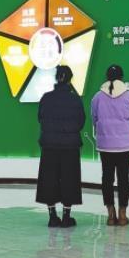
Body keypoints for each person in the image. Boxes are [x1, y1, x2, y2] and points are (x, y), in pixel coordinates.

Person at [91, 64, 129, 226]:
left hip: (105, 144)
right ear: (122, 77)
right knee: (123, 178)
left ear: (106, 77)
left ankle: (111, 215)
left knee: (107, 178)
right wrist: (127, 132)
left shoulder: (97, 97)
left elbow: (94, 118)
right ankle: (123, 215)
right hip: (125, 145)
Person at [37, 65, 85, 227]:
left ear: (56, 78)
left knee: (49, 179)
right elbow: (81, 122)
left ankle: (52, 216)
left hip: (49, 145)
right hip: (70, 146)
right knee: (69, 179)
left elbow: (40, 118)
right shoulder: (75, 99)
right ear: (70, 79)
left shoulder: (46, 98)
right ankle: (66, 217)